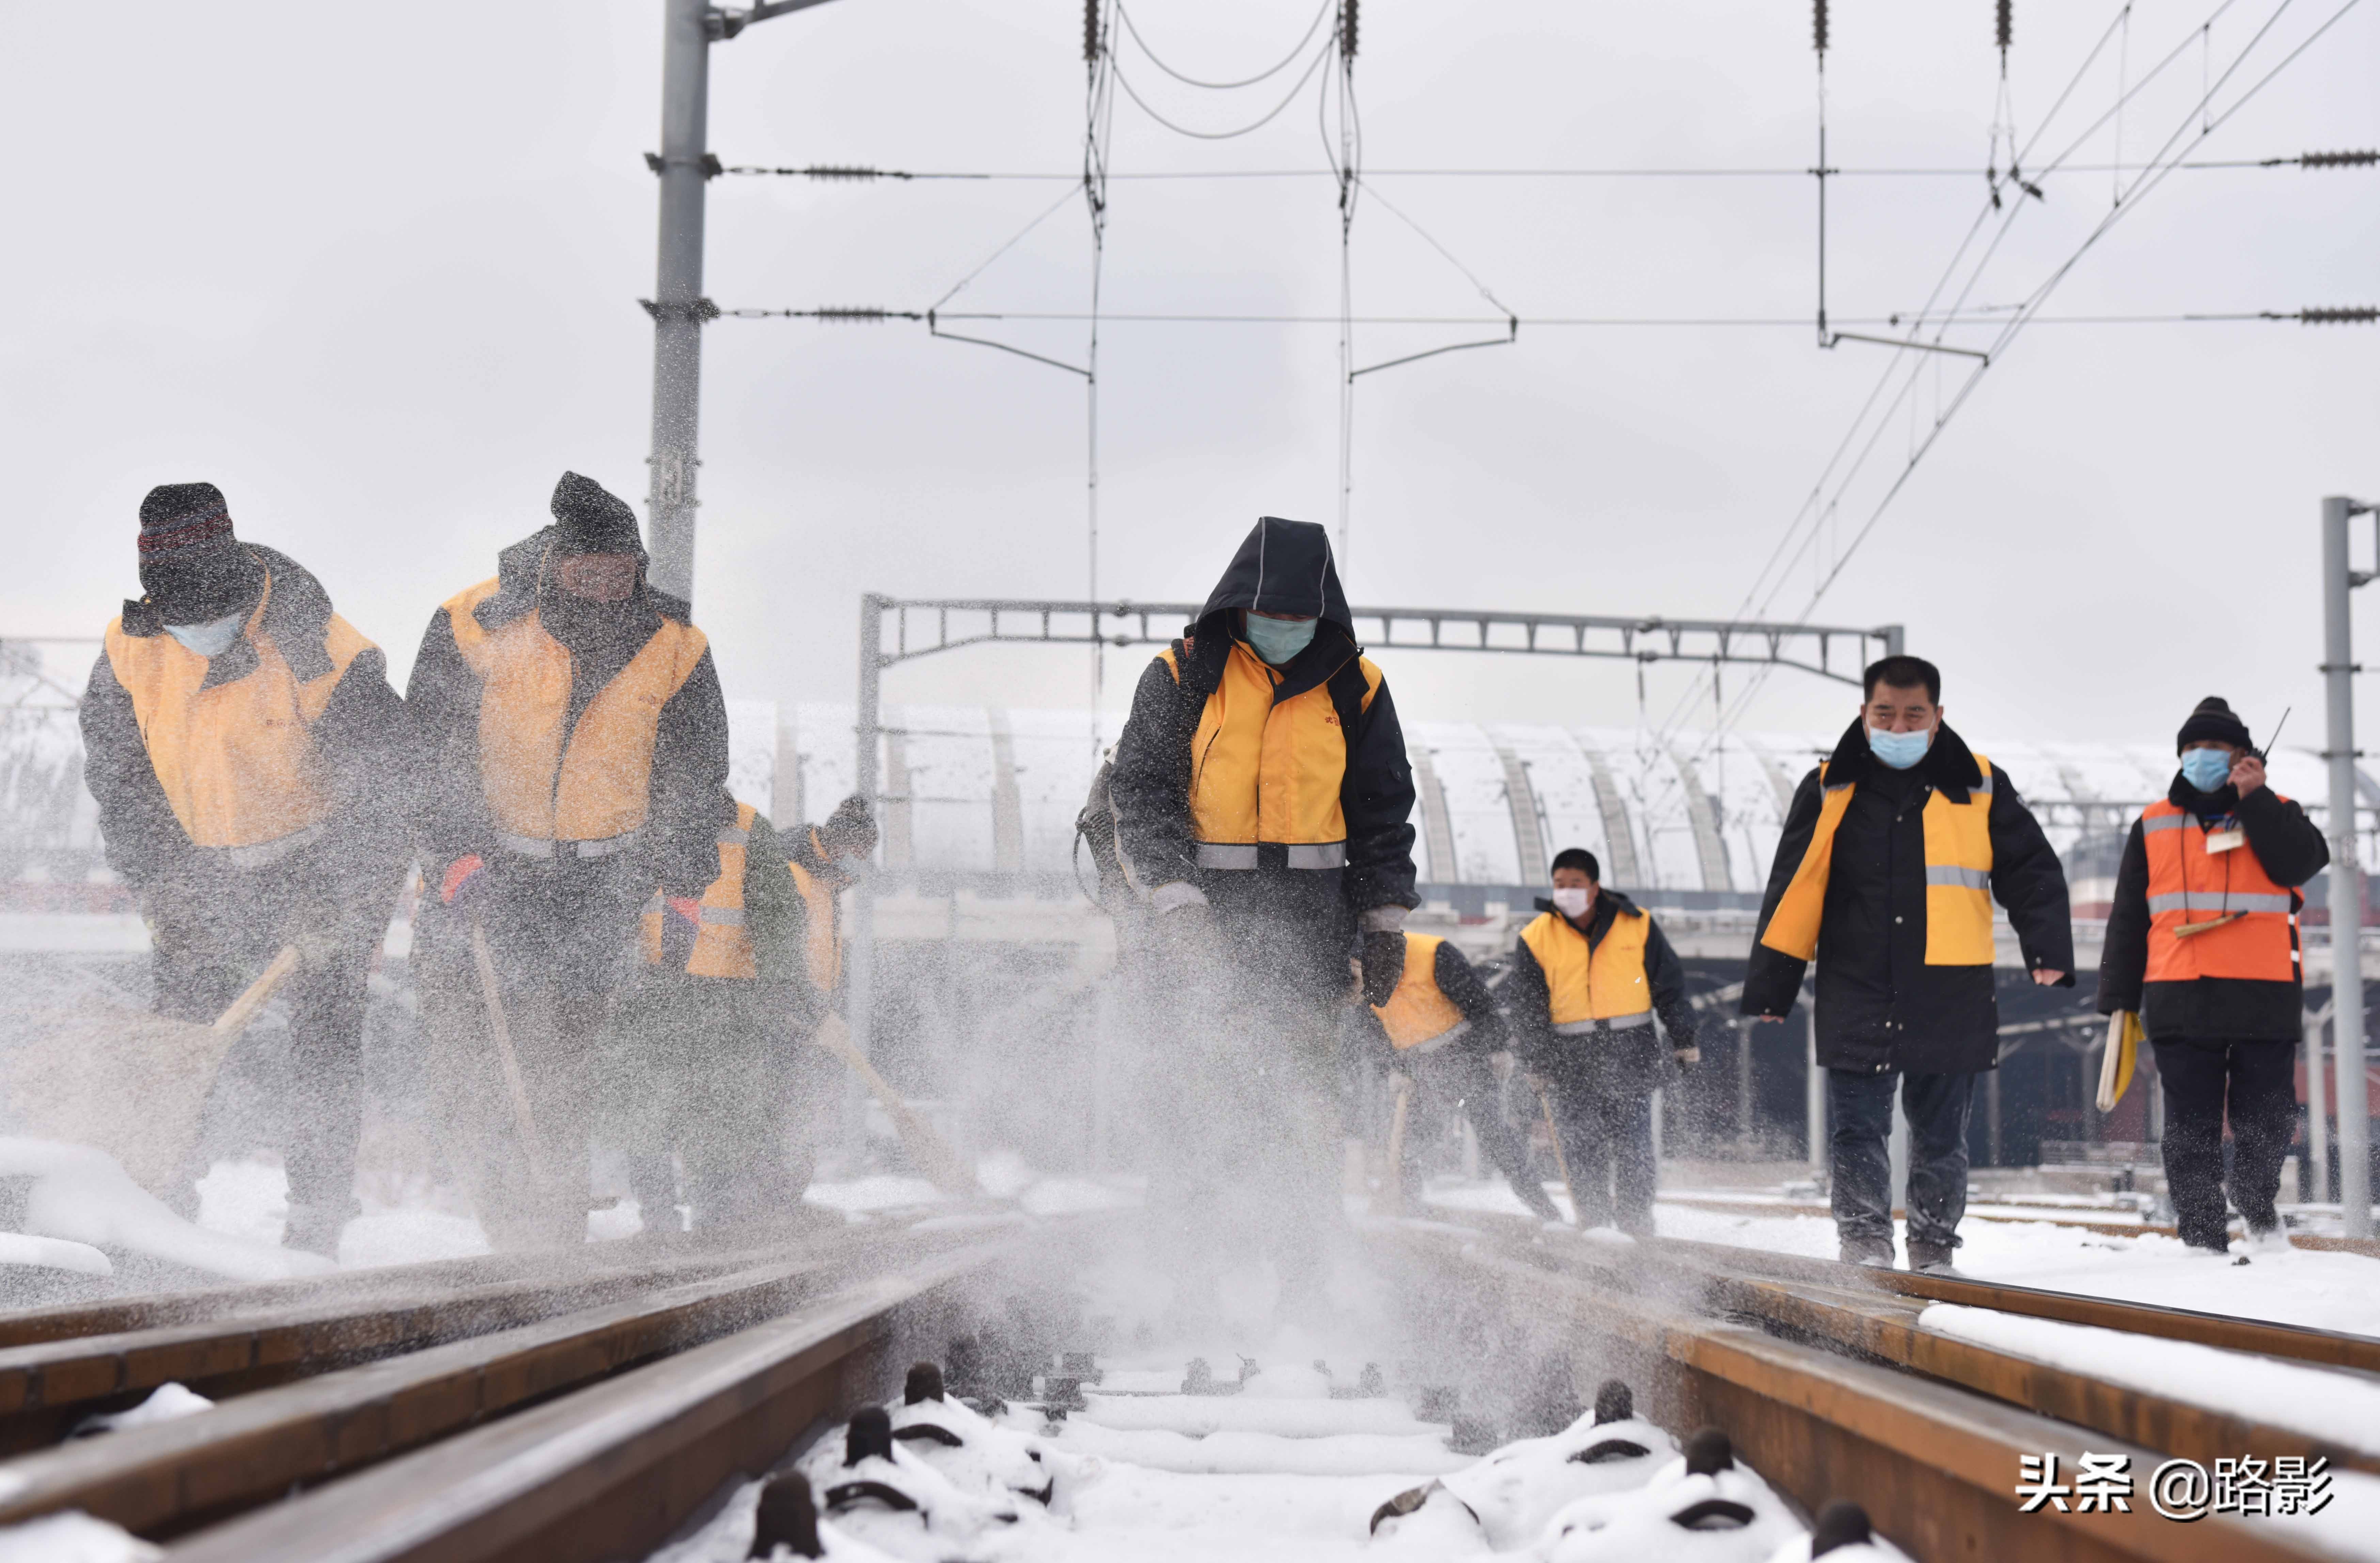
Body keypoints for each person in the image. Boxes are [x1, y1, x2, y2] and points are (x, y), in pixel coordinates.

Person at [80, 483, 411, 1256]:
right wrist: (158, 881)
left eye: (208, 608)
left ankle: (316, 1220)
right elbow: (121, 777)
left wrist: (347, 901)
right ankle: (162, 1204)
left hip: (315, 868)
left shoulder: (316, 645)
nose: (196, 627)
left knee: (323, 1049)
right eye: (177, 611)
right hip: (201, 872)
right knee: (180, 1042)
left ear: (235, 575)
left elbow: (392, 784)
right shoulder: (131, 646)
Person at [405, 471, 731, 1249]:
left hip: (600, 882)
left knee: (568, 1057)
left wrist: (685, 885)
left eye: (619, 572)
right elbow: (426, 750)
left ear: (637, 568)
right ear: (554, 563)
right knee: (480, 1049)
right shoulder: (474, 623)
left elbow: (694, 773)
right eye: (587, 571)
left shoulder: (674, 644)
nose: (604, 588)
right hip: (491, 869)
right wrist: (453, 850)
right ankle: (506, 1215)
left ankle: (552, 1221)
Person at [1107, 515, 1419, 1309]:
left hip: (1310, 940)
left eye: (1297, 615)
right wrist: (1176, 902)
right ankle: (1189, 1287)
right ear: (1239, 602)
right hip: (1197, 932)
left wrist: (1383, 921)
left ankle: (1300, 1290)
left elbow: (1382, 810)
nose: (1283, 627)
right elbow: (1141, 792)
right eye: (1269, 613)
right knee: (1194, 1103)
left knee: (1302, 1111)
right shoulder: (1181, 676)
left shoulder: (1356, 686)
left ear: (1322, 611)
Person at [1743, 655, 2073, 1272]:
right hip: (1856, 985)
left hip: (1949, 988)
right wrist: (1772, 986)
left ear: (1937, 715)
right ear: (1864, 714)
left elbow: (2031, 868)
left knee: (1941, 1134)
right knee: (1857, 1131)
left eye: (1913, 715)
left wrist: (2047, 947)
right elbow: (1790, 887)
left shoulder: (1981, 784)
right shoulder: (1827, 787)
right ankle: (1864, 1245)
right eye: (1885, 714)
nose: (1899, 728)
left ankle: (1933, 1249)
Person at [2097, 697, 2326, 1255]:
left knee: (2267, 1118)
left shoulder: (2276, 809)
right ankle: (2201, 1235)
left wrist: (2256, 799)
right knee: (2189, 1127)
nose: (2201, 756)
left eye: (2215, 747)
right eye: (2192, 747)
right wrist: (2118, 998)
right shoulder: (2153, 823)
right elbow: (2128, 917)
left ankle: (2255, 1203)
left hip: (2264, 991)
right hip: (2180, 991)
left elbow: (2300, 863)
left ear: (2243, 755)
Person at [605, 792, 873, 1236]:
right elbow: (780, 932)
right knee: (675, 1115)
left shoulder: (754, 837)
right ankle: (677, 1221)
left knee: (708, 1117)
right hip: (682, 995)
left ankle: (709, 1220)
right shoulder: (642, 818)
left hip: (722, 1000)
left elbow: (782, 931)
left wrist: (796, 999)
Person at [1503, 848, 1701, 1235]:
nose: (1566, 891)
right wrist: (1536, 1061)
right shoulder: (1535, 937)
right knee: (1580, 1146)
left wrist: (1684, 1038)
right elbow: (1528, 1007)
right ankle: (1593, 1223)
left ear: (1595, 887)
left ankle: (1635, 1223)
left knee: (1634, 1146)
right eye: (1559, 884)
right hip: (1569, 1060)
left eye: (1575, 884)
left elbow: (1669, 986)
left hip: (1631, 1052)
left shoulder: (1638, 925)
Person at [1351, 930, 1565, 1223]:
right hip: (1417, 1068)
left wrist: (1497, 1047)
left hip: (1466, 1058)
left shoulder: (1433, 954)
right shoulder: (1359, 973)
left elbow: (1481, 1004)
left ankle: (1546, 1211)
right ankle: (1407, 1211)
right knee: (1407, 1141)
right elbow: (1371, 1030)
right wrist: (1393, 1068)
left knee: (1496, 1136)